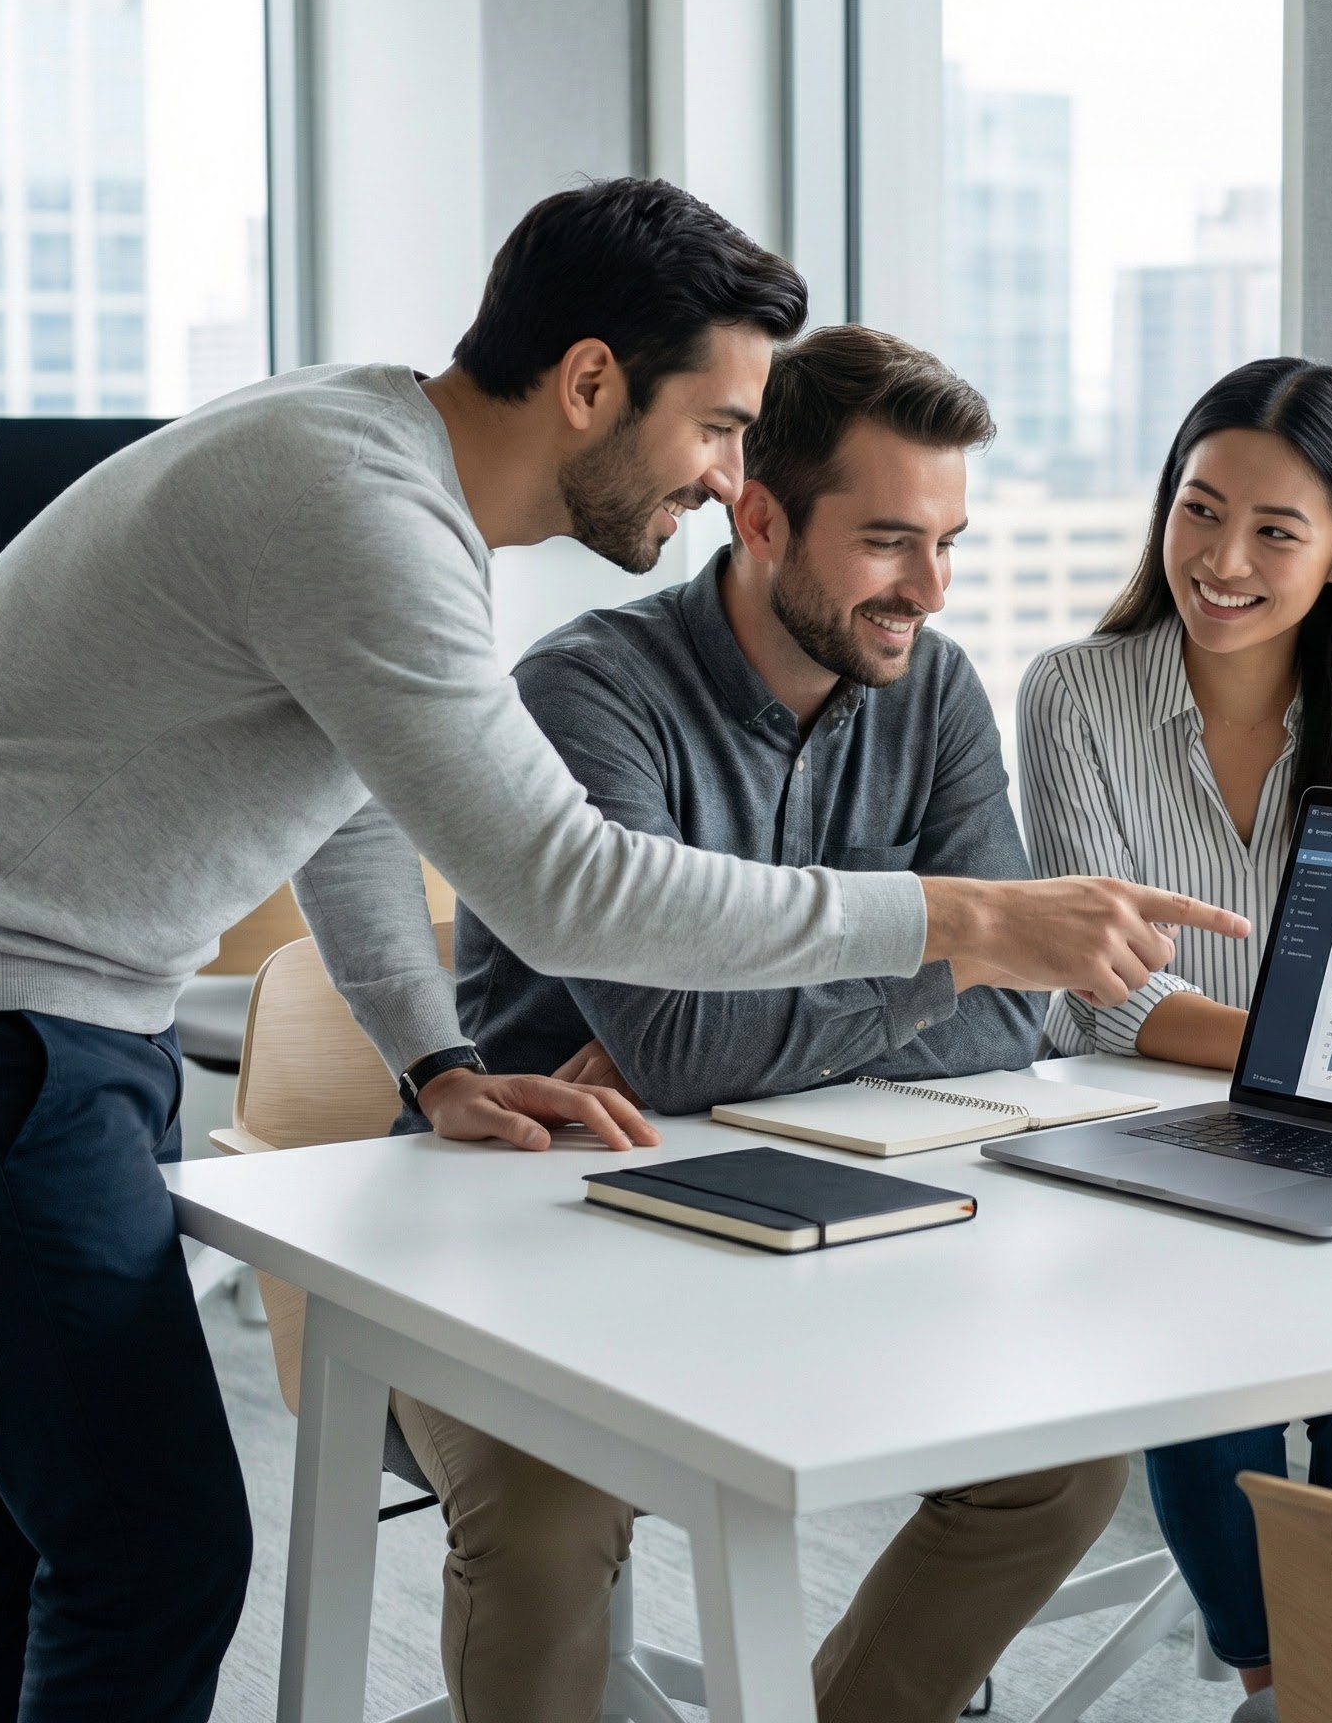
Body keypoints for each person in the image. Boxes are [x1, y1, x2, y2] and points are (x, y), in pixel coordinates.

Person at [0, 178, 1242, 1723]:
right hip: (24, 1027)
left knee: (49, 1541)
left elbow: (347, 796)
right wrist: (967, 921)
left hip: (56, 1022)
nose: (727, 479)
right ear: (590, 382)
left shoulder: (368, 468)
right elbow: (579, 894)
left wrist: (436, 1057)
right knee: (150, 1555)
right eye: (717, 428)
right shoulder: (364, 511)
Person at [406, 324, 1127, 1723]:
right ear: (756, 515)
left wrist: (794, 1012)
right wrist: (951, 947)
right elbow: (677, 1057)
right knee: (555, 1522)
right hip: (534, 1232)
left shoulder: (936, 696)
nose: (929, 588)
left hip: (824, 1219)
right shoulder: (589, 696)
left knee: (1060, 1466)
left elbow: (1020, 1023)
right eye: (890, 542)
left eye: (951, 543)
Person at [1016, 356, 1332, 1710]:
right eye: (1199, 510)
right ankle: (1280, 1678)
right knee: (1203, 1355)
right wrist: (1317, 1040)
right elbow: (1110, 997)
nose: (1221, 558)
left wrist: (1324, 1058)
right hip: (1131, 1131)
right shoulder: (1072, 694)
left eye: (1275, 530)